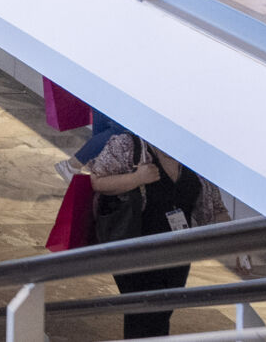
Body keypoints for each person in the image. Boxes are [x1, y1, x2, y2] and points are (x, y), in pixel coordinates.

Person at [84, 130, 225, 337]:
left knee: (161, 314)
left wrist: (240, 246)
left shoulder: (195, 159)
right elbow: (97, 180)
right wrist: (136, 178)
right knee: (142, 315)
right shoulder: (129, 145)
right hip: (135, 249)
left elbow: (217, 207)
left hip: (177, 255)